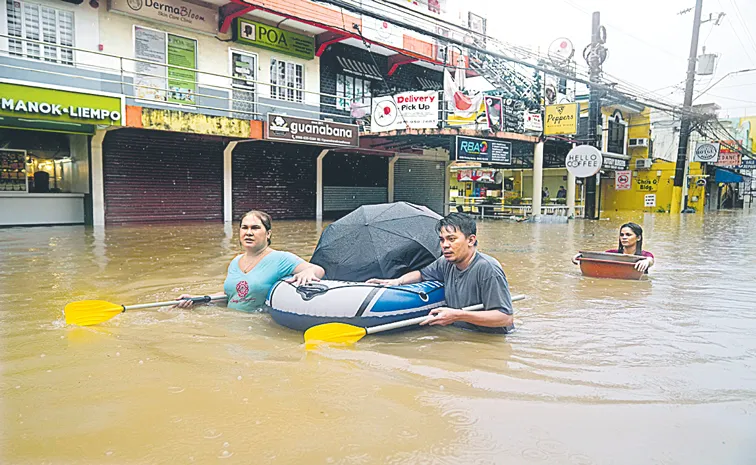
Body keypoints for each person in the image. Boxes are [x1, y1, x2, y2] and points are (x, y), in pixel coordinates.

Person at [367, 213, 514, 333]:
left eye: (451, 239)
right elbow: (421, 274)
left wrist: (458, 315)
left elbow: (505, 318)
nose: (445, 245)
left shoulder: (488, 269)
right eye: (442, 240)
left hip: (489, 339)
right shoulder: (445, 262)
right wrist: (397, 281)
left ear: (470, 240)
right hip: (461, 334)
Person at [176, 210, 325, 311]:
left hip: (259, 328)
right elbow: (232, 296)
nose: (248, 233)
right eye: (244, 228)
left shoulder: (281, 258)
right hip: (230, 325)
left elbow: (318, 270)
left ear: (268, 233)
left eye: (255, 228)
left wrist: (308, 272)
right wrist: (199, 300)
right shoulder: (235, 261)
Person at [571, 222, 655, 273]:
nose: (624, 237)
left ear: (638, 238)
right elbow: (597, 256)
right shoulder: (613, 253)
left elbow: (650, 260)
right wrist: (580, 255)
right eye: (622, 235)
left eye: (628, 235)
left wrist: (646, 262)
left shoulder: (644, 255)